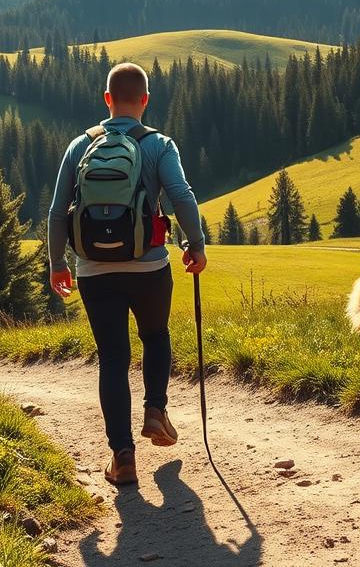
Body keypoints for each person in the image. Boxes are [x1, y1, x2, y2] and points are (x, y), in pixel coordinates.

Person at [48, 62, 206, 486]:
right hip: (149, 265)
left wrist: (58, 263)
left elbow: (56, 209)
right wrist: (196, 244)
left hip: (94, 272)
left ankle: (122, 458)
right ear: (146, 101)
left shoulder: (80, 145)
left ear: (107, 100)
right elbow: (181, 196)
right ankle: (156, 410)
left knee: (113, 360)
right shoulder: (159, 145)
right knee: (155, 336)